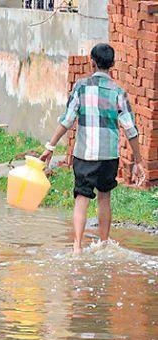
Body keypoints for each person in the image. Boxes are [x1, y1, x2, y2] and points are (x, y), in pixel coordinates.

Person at [40, 43, 145, 254]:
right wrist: (139, 161)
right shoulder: (118, 92)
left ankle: (77, 246)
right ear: (113, 64)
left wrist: (50, 146)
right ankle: (104, 244)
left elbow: (67, 120)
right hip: (109, 156)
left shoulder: (81, 87)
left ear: (92, 62)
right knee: (105, 197)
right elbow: (130, 129)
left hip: (85, 154)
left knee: (82, 198)